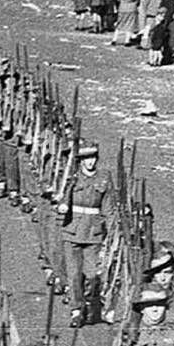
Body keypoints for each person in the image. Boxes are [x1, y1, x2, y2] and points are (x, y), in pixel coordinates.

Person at [57, 140, 116, 327]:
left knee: (91, 274)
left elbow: (108, 207)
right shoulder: (72, 178)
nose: (90, 162)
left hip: (93, 232)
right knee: (74, 274)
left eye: (93, 158)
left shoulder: (104, 178)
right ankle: (76, 310)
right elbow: (62, 199)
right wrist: (63, 206)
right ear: (80, 160)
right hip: (72, 230)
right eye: (86, 158)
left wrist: (112, 230)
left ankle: (90, 303)